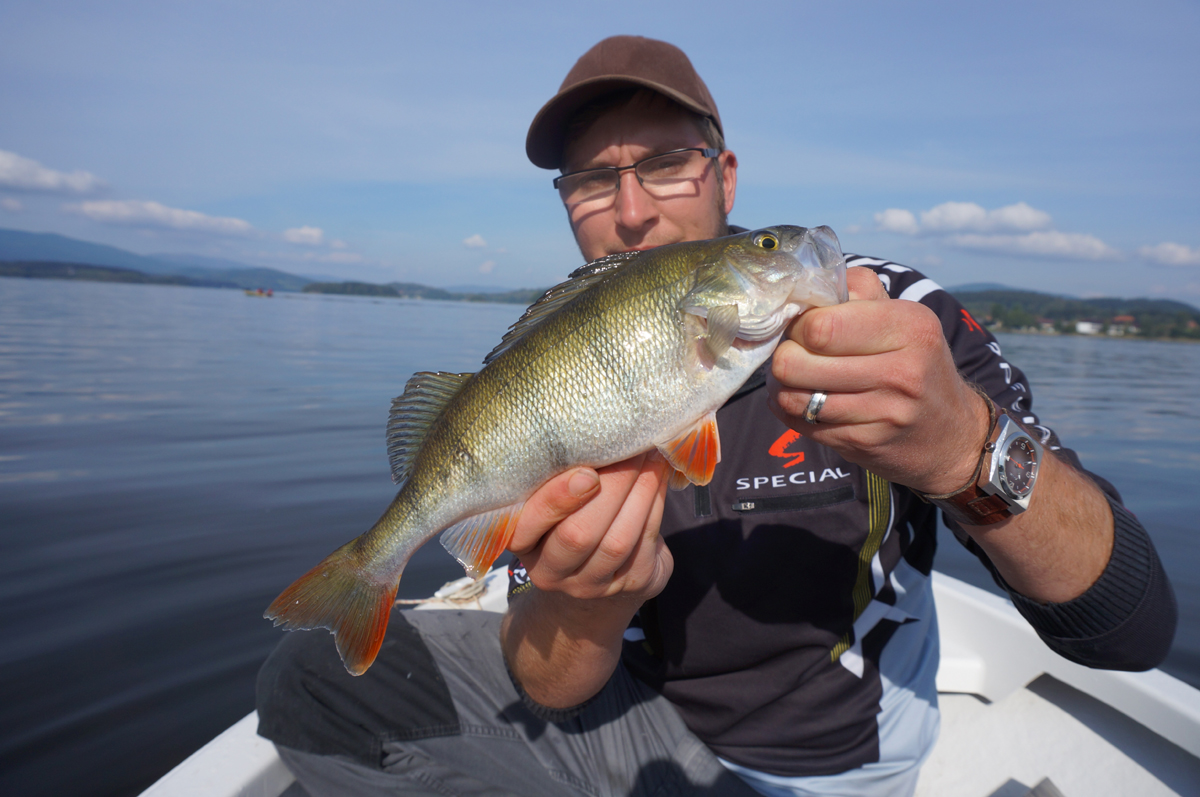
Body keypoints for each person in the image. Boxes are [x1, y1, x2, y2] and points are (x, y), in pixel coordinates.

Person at [257, 36, 1177, 796]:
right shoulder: (559, 341)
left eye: (664, 164)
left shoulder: (888, 318)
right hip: (628, 727)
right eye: (590, 180)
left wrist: (963, 449)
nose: (630, 211)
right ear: (566, 202)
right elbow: (548, 682)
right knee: (311, 683)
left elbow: (1130, 627)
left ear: (724, 175)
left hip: (827, 769)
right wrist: (584, 604)